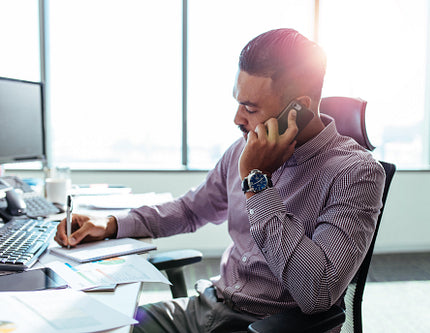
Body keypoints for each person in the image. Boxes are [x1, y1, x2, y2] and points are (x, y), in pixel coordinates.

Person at [55, 28, 385, 333]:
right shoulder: (242, 149)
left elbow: (317, 292)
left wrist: (258, 183)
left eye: (250, 107)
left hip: (266, 326)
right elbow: (189, 210)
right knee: (95, 326)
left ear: (297, 109)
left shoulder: (355, 174)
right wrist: (110, 224)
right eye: (237, 102)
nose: (237, 119)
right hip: (208, 305)